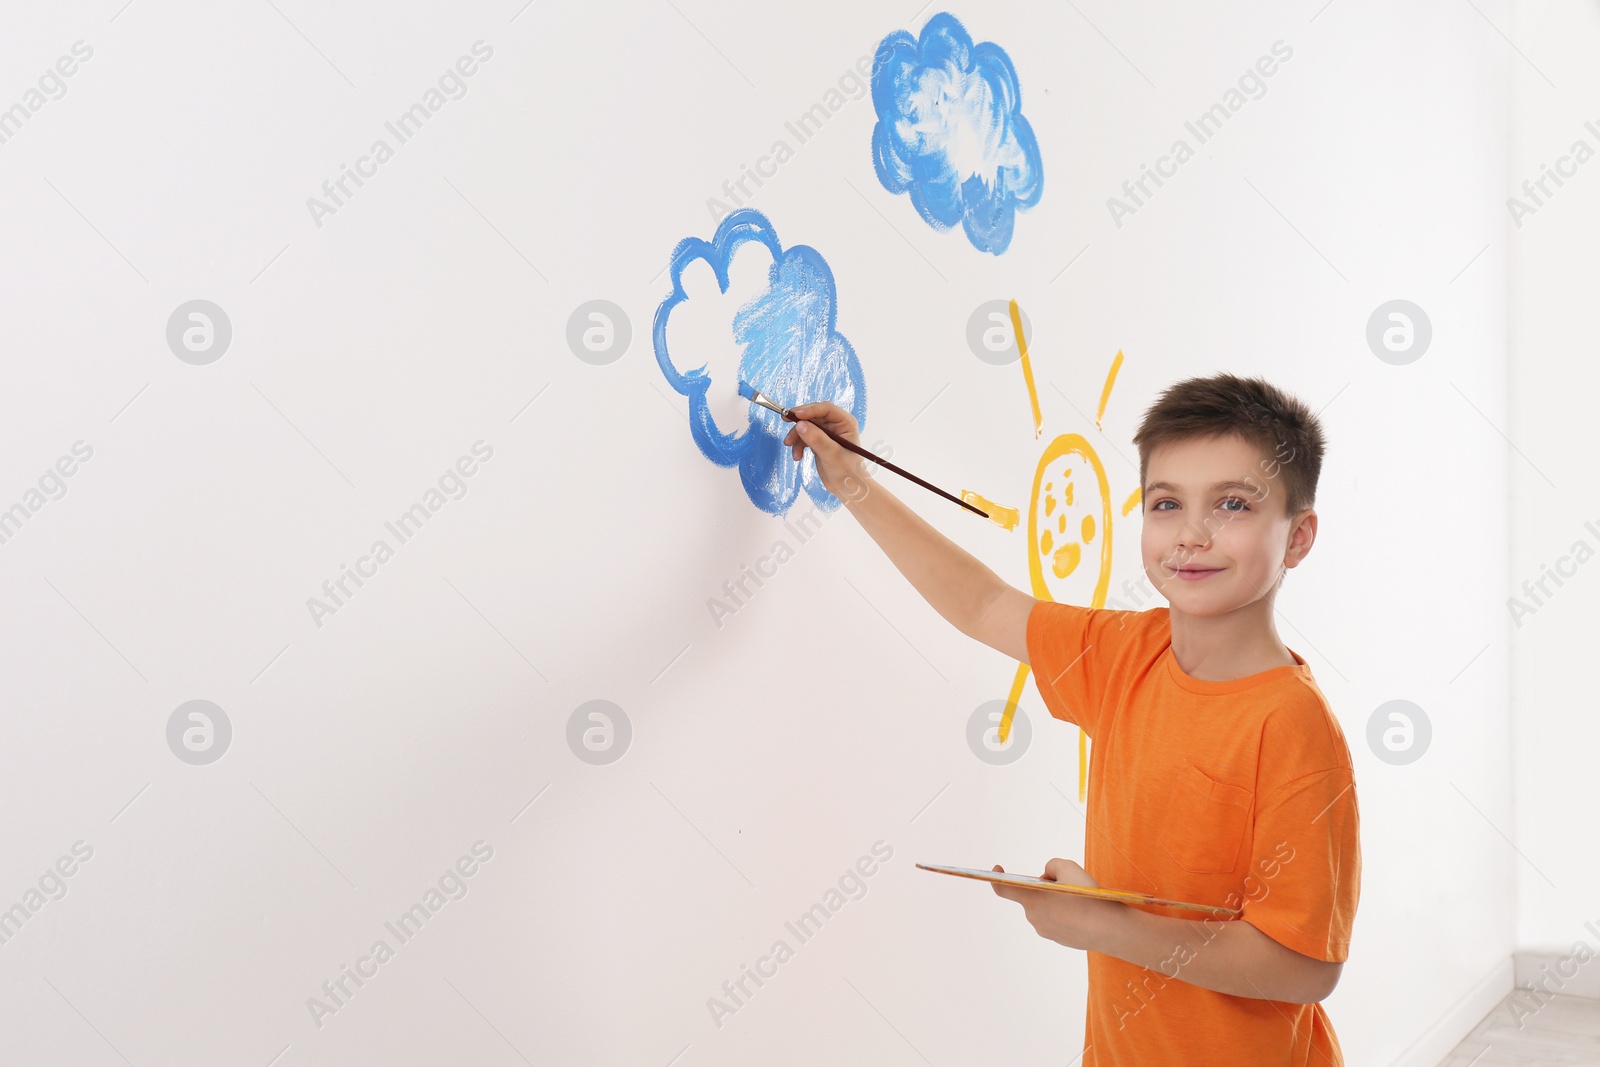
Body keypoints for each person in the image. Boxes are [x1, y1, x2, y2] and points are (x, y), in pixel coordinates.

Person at [782, 372, 1360, 1066]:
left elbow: (1305, 967)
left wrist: (1102, 925)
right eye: (1167, 503)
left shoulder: (1292, 725)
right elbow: (984, 605)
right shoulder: (1129, 654)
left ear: (1298, 538)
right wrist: (849, 477)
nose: (1193, 534)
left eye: (1233, 503)